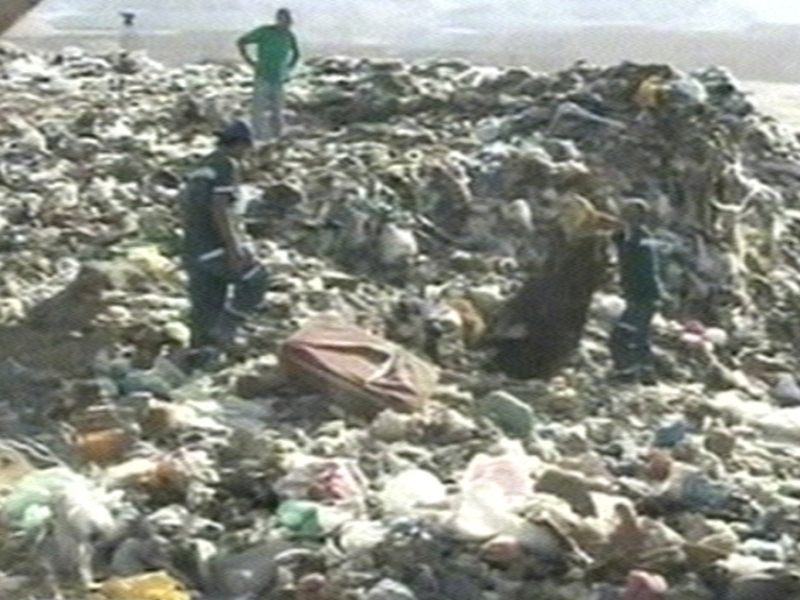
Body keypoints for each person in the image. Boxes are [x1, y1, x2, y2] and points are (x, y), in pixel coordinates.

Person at [180, 120, 269, 363]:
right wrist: (234, 247)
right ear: (241, 145)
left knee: (206, 306)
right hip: (214, 246)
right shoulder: (227, 165)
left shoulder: (202, 166)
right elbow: (220, 208)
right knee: (255, 279)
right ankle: (228, 327)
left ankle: (198, 359)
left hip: (192, 248)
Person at [608, 199, 663, 384]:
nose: (624, 216)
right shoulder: (636, 238)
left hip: (643, 297)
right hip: (643, 297)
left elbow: (635, 263)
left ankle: (626, 373)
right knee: (640, 337)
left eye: (628, 214)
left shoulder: (640, 240)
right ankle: (647, 375)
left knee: (621, 336)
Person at [237, 8, 300, 142]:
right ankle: (259, 137)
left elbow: (296, 54)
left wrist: (288, 69)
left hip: (278, 78)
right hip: (263, 75)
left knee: (277, 110)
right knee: (258, 109)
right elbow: (241, 41)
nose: (287, 23)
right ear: (278, 19)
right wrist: (250, 61)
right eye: (284, 19)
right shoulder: (265, 32)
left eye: (289, 20)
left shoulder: (289, 36)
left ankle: (278, 137)